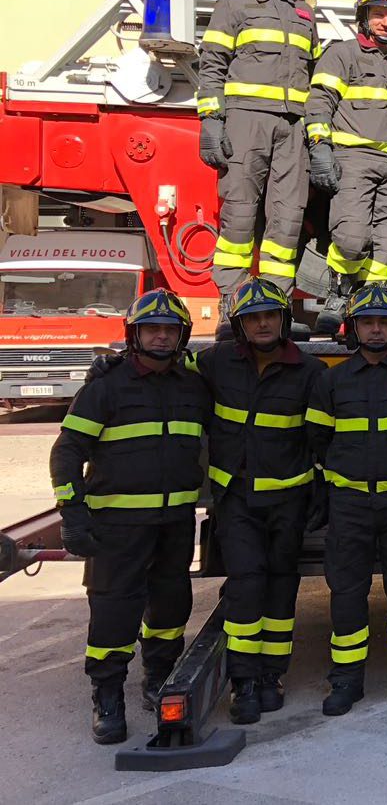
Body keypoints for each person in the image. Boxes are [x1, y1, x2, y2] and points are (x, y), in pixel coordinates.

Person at [50, 290, 209, 744]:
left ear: (182, 336)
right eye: (151, 329)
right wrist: (72, 510)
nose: (160, 337)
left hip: (175, 522)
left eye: (169, 329)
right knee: (113, 613)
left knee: (170, 606)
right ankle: (107, 697)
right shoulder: (105, 387)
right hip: (115, 528)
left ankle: (159, 677)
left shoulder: (192, 385)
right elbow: (66, 453)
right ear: (133, 335)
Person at [196, 278, 325, 724]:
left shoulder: (309, 372)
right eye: (253, 317)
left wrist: (320, 491)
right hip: (237, 501)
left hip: (288, 501)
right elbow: (168, 377)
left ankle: (273, 675)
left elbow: (321, 438)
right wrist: (110, 370)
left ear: (285, 320)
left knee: (282, 586)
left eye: (270, 315)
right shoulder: (214, 364)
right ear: (240, 325)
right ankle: (245, 680)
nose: (263, 323)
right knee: (247, 584)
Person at [307, 284, 387, 715]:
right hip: (350, 505)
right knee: (347, 592)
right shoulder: (332, 380)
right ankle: (346, 680)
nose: (377, 330)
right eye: (368, 322)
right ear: (354, 328)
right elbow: (317, 440)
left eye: (385, 322)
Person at [197, 0, 319, 312]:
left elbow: (314, 75)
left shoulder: (305, 15)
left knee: (287, 218)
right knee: (239, 213)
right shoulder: (233, 6)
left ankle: (274, 305)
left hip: (293, 127)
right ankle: (231, 303)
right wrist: (211, 120)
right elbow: (213, 65)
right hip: (246, 123)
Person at [306, 0, 387, 335]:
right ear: (364, 18)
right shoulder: (342, 54)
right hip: (355, 159)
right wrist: (320, 145)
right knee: (352, 237)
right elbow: (321, 101)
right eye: (379, 14)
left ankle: (371, 301)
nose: (386, 22)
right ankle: (338, 292)